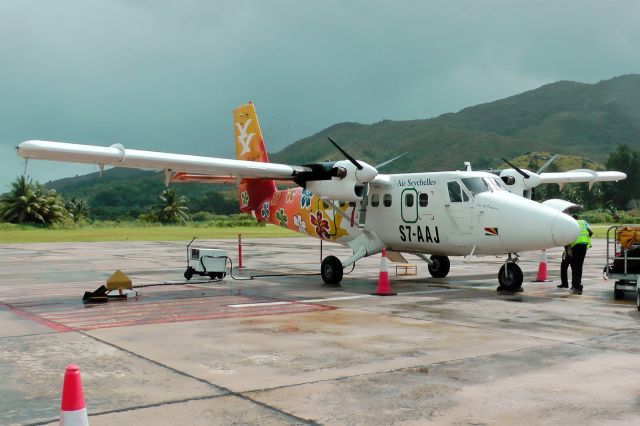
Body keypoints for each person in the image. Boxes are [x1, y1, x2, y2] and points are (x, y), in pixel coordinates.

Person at [568, 213, 593, 295]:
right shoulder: (583, 222)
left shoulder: (569, 223)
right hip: (584, 245)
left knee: (574, 267)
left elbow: (566, 237)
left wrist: (568, 250)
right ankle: (576, 285)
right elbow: (591, 232)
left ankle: (577, 287)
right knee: (579, 266)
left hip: (575, 246)